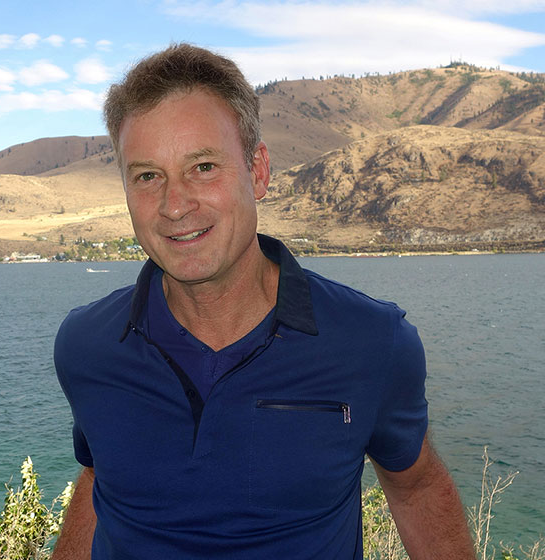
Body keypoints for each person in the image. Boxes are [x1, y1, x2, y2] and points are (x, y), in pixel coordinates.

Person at [52, 43, 473, 559]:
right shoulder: (87, 347)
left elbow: (417, 487)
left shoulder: (372, 342)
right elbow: (101, 480)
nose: (175, 204)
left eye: (203, 166)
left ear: (258, 172)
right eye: (147, 176)